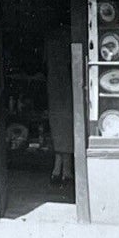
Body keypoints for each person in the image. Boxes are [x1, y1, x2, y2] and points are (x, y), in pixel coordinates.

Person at [45, 25, 75, 186]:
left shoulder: (52, 45)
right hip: (61, 87)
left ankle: (60, 168)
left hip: (62, 87)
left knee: (63, 125)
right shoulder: (59, 46)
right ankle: (64, 169)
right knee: (63, 125)